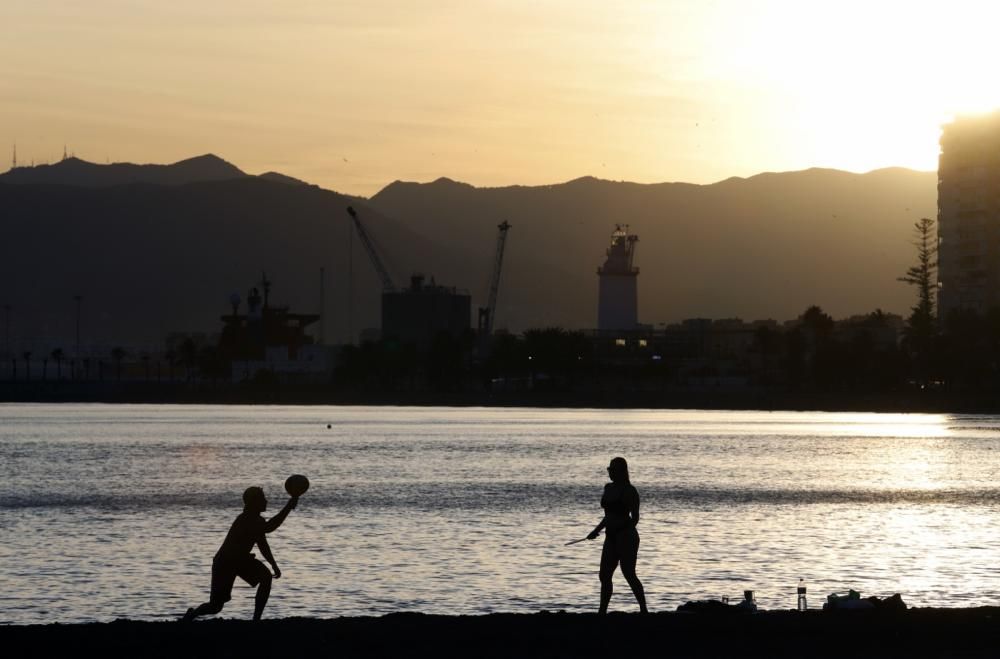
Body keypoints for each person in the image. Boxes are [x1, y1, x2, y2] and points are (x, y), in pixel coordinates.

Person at [182, 486, 298, 622]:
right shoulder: (246, 519)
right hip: (225, 563)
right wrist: (288, 506)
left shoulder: (256, 520)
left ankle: (256, 619)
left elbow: (263, 545)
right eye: (263, 499)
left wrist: (274, 565)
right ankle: (191, 615)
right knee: (215, 606)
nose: (266, 501)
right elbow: (270, 527)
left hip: (240, 561)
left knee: (266, 577)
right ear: (254, 502)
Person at [586, 456, 648, 613]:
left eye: (612, 470)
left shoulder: (630, 491)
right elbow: (608, 516)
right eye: (609, 469)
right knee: (604, 575)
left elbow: (635, 518)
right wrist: (596, 530)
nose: (610, 472)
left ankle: (643, 609)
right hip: (610, 536)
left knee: (628, 573)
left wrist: (621, 530)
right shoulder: (608, 488)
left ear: (621, 471)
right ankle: (602, 611)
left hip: (626, 537)